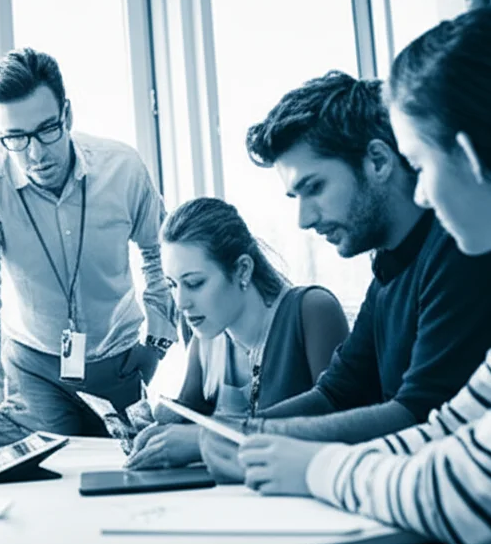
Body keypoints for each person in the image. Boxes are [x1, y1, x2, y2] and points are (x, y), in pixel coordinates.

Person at [235, 7, 491, 544]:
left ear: (472, 160)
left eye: (422, 165)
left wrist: (317, 468)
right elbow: (452, 426)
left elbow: (474, 497)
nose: (422, 194)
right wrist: (280, 453)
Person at [201, 71, 491, 481]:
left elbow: (419, 416)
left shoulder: (461, 249)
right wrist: (226, 433)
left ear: (378, 161)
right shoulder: (389, 269)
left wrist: (250, 435)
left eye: (314, 187)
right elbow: (337, 393)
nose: (303, 219)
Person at [0, 48, 177, 447]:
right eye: (16, 138)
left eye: (47, 130)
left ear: (67, 115)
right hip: (35, 369)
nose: (35, 153)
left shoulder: (122, 168)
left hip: (120, 361)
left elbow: (163, 256)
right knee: (53, 482)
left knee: (124, 474)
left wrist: (156, 344)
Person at [125, 197, 348, 470]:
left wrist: (206, 437)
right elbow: (187, 413)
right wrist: (156, 428)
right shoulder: (204, 337)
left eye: (194, 283)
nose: (181, 302)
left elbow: (338, 417)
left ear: (243, 269)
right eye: (172, 285)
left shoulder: (312, 311)